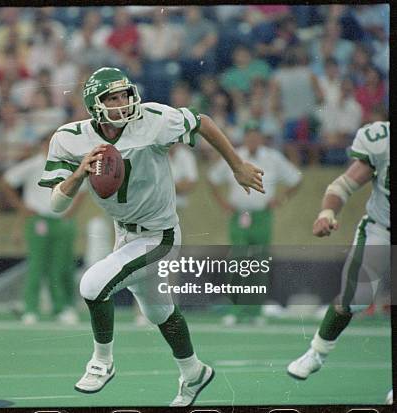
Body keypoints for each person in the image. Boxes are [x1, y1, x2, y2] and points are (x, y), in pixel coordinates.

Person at [38, 67, 265, 406]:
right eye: (112, 98)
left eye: (125, 94)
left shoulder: (154, 119)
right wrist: (80, 172)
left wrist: (236, 165)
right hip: (124, 234)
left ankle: (102, 361)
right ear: (94, 104)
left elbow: (201, 121)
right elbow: (56, 204)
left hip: (160, 236)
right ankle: (194, 372)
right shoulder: (69, 138)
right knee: (160, 313)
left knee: (92, 285)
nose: (123, 103)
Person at [287, 120, 390, 380]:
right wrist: (327, 211)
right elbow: (343, 185)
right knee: (355, 297)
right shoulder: (382, 140)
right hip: (382, 227)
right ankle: (317, 351)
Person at [207, 120, 301, 325]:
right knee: (238, 262)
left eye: (256, 135)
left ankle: (255, 312)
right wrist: (223, 203)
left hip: (262, 216)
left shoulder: (273, 157)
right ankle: (236, 310)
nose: (252, 139)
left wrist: (281, 199)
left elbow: (295, 179)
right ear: (244, 137)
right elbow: (212, 178)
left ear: (261, 138)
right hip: (239, 216)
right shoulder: (234, 155)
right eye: (249, 135)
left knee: (258, 264)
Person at [1, 135, 84, 326]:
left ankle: (63, 308)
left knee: (62, 266)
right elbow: (6, 181)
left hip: (62, 220)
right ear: (42, 145)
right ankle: (31, 309)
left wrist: (72, 210)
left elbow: (83, 188)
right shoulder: (33, 165)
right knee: (36, 266)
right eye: (48, 143)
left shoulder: (69, 164)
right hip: (38, 219)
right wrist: (22, 207)